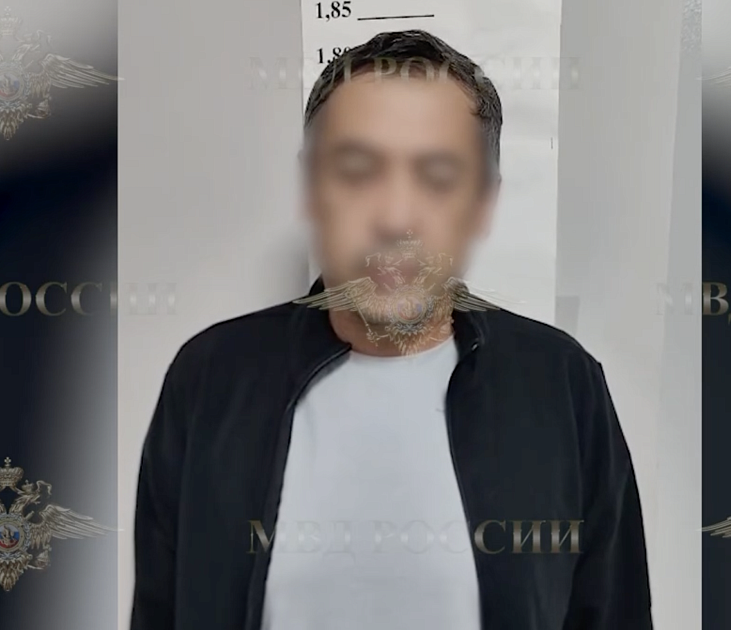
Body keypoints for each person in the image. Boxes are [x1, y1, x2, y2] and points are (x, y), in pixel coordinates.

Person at [131, 29, 651, 630]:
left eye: (437, 176)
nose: (395, 217)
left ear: (484, 202)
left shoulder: (560, 383)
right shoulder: (211, 378)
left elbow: (614, 613)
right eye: (357, 171)